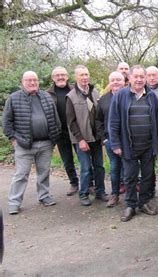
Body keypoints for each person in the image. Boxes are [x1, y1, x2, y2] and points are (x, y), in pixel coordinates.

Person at [3, 71, 62, 214]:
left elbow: (55, 119)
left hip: (46, 143)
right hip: (24, 144)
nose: (32, 83)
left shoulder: (46, 96)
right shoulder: (14, 98)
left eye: (35, 80)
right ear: (22, 82)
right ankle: (14, 202)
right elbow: (6, 122)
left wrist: (55, 137)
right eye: (29, 80)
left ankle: (44, 196)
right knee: (21, 174)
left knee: (44, 172)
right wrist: (13, 139)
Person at [109, 65, 158, 222]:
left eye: (141, 77)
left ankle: (144, 202)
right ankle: (130, 205)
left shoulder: (152, 96)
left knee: (147, 175)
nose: (139, 80)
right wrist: (116, 144)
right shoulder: (120, 96)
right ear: (130, 78)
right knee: (130, 176)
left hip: (148, 145)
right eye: (136, 76)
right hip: (128, 145)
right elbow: (113, 122)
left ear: (145, 78)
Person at [66, 65, 108, 206]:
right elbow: (71, 122)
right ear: (76, 77)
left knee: (99, 166)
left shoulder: (95, 92)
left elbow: (99, 116)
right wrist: (80, 140)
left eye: (86, 74)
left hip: (96, 138)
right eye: (81, 75)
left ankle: (100, 191)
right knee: (85, 168)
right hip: (82, 139)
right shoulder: (71, 96)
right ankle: (83, 194)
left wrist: (102, 136)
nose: (84, 77)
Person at [46, 66, 79, 196]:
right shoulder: (48, 94)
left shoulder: (75, 90)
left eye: (63, 75)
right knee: (67, 160)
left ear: (67, 76)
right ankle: (74, 182)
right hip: (60, 133)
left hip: (76, 131)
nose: (60, 77)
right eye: (57, 75)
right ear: (53, 78)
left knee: (84, 159)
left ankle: (90, 183)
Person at [96, 71, 126, 208]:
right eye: (113, 80)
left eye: (118, 79)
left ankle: (132, 195)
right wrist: (104, 138)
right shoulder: (103, 99)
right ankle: (114, 194)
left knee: (130, 168)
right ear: (109, 82)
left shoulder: (129, 96)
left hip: (128, 140)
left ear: (124, 81)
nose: (116, 82)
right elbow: (98, 120)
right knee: (115, 168)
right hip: (110, 140)